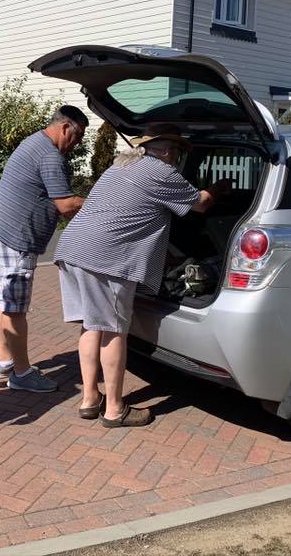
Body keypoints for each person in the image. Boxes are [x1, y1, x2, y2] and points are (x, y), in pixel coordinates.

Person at [54, 123, 228, 428]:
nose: (177, 159)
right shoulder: (161, 172)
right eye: (177, 153)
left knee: (91, 325)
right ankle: (115, 410)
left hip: (73, 249)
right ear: (167, 151)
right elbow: (201, 204)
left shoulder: (120, 167)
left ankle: (90, 399)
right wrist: (220, 189)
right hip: (105, 259)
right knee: (113, 331)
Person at [0, 105, 89, 393]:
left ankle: (4, 360)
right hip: (15, 240)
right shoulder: (49, 155)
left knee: (4, 300)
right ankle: (21, 373)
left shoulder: (34, 141)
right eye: (78, 136)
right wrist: (98, 202)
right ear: (65, 127)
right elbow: (66, 205)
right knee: (14, 309)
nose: (77, 143)